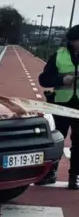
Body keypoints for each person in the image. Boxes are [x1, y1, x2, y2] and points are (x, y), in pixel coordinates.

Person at [37, 24, 79, 189]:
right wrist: (62, 80)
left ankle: (74, 176)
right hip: (61, 105)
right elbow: (44, 80)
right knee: (57, 140)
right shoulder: (59, 56)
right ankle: (50, 173)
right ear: (73, 41)